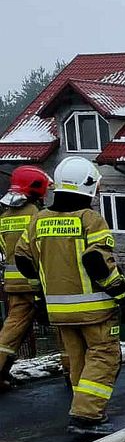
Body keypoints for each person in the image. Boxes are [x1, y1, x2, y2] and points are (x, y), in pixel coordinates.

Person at [14, 157, 125, 436]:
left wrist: (41, 297)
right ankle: (87, 416)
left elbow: (23, 259)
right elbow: (97, 262)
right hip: (95, 310)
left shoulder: (38, 220)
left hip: (59, 310)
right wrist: (122, 295)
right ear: (89, 185)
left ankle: (82, 408)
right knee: (104, 356)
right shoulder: (90, 220)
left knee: (78, 359)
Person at [0, 166, 53, 391]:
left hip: (13, 284)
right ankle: (74, 375)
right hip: (38, 282)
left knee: (11, 331)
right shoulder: (37, 215)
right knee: (65, 329)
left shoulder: (3, 218)